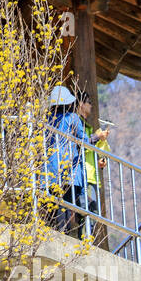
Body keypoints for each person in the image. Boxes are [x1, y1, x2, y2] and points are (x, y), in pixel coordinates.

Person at [45, 86, 91, 238]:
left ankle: (57, 234)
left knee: (56, 206)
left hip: (49, 171)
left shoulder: (46, 120)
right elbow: (84, 141)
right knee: (71, 204)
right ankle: (72, 237)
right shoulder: (72, 118)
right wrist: (95, 139)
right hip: (70, 169)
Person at [75, 90, 111, 245]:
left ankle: (86, 240)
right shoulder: (75, 122)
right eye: (89, 103)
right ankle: (83, 241)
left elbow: (89, 151)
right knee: (85, 208)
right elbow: (81, 144)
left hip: (91, 173)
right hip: (82, 174)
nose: (91, 106)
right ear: (81, 104)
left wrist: (99, 163)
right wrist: (97, 137)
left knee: (92, 209)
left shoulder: (88, 127)